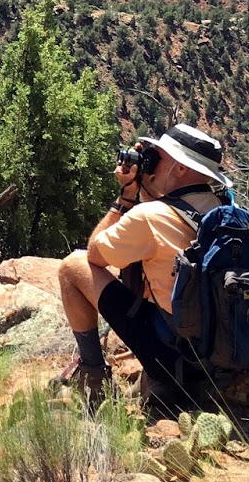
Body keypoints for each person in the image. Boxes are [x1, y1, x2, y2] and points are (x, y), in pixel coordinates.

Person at [54, 123, 232, 406]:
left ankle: (93, 376)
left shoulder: (150, 217)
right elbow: (172, 212)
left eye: (157, 157)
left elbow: (95, 255)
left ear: (181, 168)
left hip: (175, 358)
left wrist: (125, 196)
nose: (151, 162)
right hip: (224, 353)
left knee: (72, 267)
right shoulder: (226, 210)